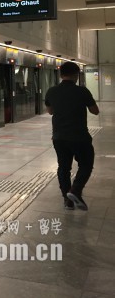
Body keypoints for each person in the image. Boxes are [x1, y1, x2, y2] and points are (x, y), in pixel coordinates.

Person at [44, 61, 99, 210]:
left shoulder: (51, 91)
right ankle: (75, 190)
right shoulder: (82, 91)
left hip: (59, 137)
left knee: (63, 168)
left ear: (61, 74)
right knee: (86, 164)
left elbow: (50, 111)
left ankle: (67, 200)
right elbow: (95, 111)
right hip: (79, 137)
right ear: (76, 75)